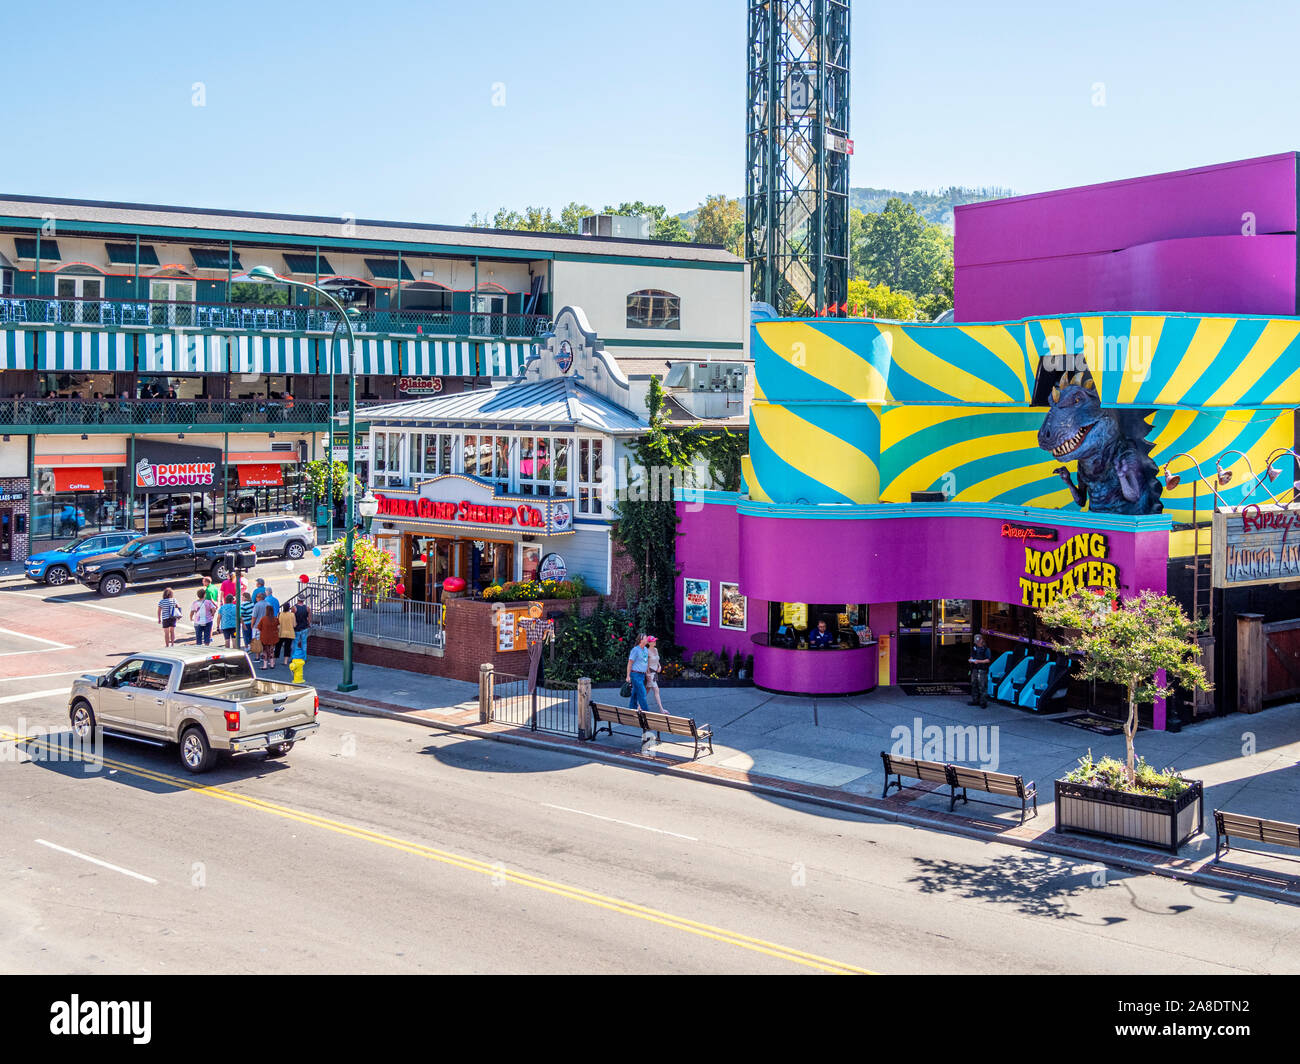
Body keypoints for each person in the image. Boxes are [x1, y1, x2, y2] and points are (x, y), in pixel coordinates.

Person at [625, 633, 652, 714]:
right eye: (645, 638)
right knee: (642, 693)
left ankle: (631, 709)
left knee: (635, 693)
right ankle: (647, 713)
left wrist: (647, 674)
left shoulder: (646, 650)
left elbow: (646, 663)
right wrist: (628, 675)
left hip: (642, 675)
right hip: (635, 674)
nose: (647, 639)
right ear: (641, 640)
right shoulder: (635, 650)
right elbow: (630, 662)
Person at [968, 634, 993, 707]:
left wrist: (978, 661)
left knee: (982, 686)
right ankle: (975, 700)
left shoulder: (986, 649)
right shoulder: (974, 647)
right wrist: (970, 659)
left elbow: (988, 660)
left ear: (982, 640)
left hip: (982, 669)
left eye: (979, 641)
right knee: (974, 684)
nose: (978, 643)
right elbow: (972, 655)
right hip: (975, 669)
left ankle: (983, 702)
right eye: (976, 642)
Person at [645, 635, 666, 713]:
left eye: (655, 640)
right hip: (650, 673)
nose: (655, 642)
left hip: (654, 673)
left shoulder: (656, 650)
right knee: (656, 690)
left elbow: (657, 660)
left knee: (647, 690)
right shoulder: (646, 651)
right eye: (653, 641)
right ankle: (661, 709)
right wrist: (648, 675)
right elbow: (646, 664)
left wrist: (659, 666)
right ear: (649, 643)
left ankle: (639, 707)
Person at [257, 604, 281, 670]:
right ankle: (272, 664)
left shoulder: (263, 619)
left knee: (265, 651)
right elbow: (278, 627)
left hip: (265, 637)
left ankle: (265, 665)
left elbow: (259, 627)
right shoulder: (276, 619)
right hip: (273, 637)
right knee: (271, 650)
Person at [276, 601, 296, 667]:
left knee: (278, 647)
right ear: (289, 608)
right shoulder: (292, 615)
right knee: (287, 647)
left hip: (281, 632)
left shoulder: (280, 614)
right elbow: (294, 625)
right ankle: (285, 661)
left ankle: (273, 660)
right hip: (290, 633)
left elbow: (277, 624)